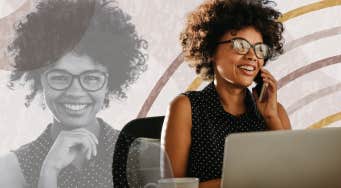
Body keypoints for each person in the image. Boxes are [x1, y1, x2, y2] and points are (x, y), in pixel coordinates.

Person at [0, 0, 146, 187]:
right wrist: (49, 171)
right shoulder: (10, 170)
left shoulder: (139, 156)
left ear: (109, 82)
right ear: (39, 78)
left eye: (91, 78)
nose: (75, 92)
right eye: (60, 77)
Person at [161, 0, 291, 187]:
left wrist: (271, 118)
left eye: (259, 49)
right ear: (211, 49)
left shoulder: (275, 112)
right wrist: (240, 182)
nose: (252, 56)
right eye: (240, 45)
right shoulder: (185, 108)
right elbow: (172, 187)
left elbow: (293, 179)